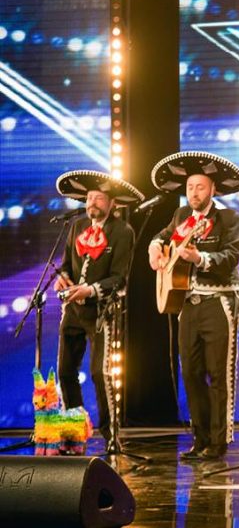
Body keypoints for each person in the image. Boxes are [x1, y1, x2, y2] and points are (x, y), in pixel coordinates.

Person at [148, 151, 239, 461]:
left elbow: (231, 257)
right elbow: (161, 237)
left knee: (219, 374)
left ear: (213, 189)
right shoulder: (181, 216)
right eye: (190, 187)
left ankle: (218, 441)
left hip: (218, 301)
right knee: (191, 373)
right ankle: (200, 439)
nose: (194, 192)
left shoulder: (228, 219)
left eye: (200, 187)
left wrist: (199, 258)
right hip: (187, 304)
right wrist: (155, 249)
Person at [53, 170, 143, 444]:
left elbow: (119, 278)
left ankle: (111, 435)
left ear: (112, 203)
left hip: (102, 311)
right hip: (73, 310)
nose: (92, 202)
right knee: (65, 371)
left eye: (99, 198)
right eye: (89, 197)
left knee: (99, 373)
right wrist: (62, 278)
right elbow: (66, 264)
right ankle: (74, 432)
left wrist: (90, 290)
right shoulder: (77, 226)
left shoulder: (122, 231)